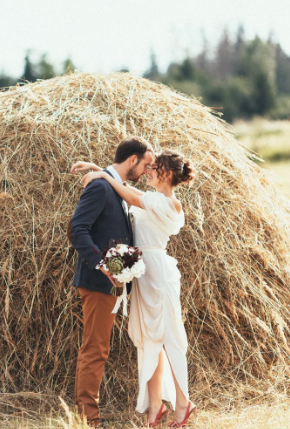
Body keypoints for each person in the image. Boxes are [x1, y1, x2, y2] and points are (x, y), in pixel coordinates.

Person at [72, 149, 196, 428]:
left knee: (169, 336)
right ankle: (155, 407)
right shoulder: (150, 199)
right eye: (147, 165)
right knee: (147, 337)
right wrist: (102, 170)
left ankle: (183, 403)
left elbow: (128, 194)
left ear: (165, 173)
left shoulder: (168, 203)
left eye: (154, 167)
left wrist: (103, 173)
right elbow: (123, 186)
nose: (148, 171)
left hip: (158, 273)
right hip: (142, 273)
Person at [69, 136, 154, 428]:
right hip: (98, 281)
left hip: (113, 282)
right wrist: (102, 264)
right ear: (132, 160)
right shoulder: (100, 186)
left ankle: (87, 415)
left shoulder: (111, 184)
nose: (146, 171)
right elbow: (78, 228)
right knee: (95, 349)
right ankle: (88, 419)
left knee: (98, 348)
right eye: (145, 165)